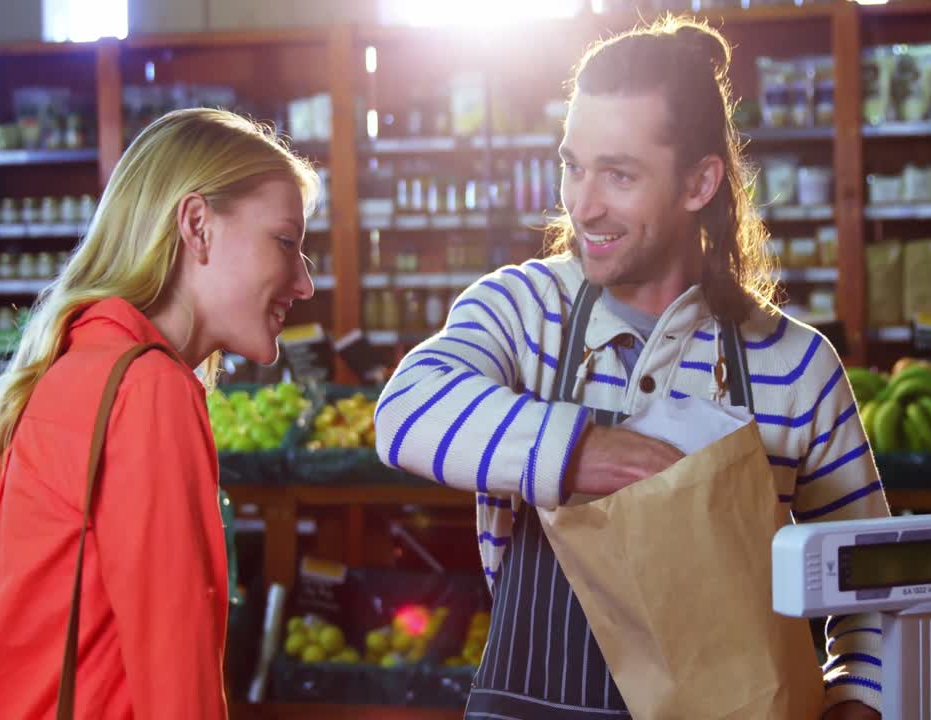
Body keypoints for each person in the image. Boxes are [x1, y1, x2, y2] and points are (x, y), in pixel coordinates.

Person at [374, 17, 887, 720]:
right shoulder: (525, 312)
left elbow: (869, 583)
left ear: (699, 182)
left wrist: (858, 700)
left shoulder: (794, 366)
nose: (582, 206)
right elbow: (406, 411)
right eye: (573, 166)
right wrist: (590, 453)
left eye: (618, 174)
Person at [0, 108, 318, 719]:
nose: (304, 282)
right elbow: (178, 679)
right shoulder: (147, 389)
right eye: (286, 242)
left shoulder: (77, 359)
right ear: (196, 225)